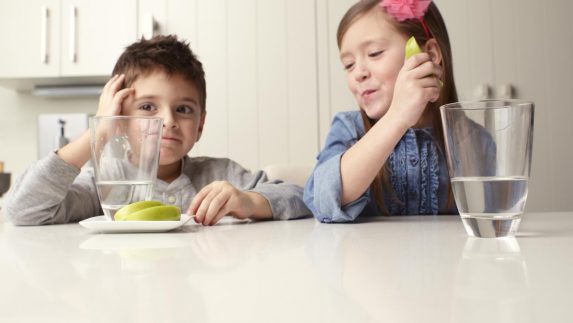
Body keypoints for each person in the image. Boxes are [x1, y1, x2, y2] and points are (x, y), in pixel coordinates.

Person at [3, 35, 310, 226]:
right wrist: (99, 130)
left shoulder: (219, 175)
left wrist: (246, 201)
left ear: (200, 124)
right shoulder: (106, 184)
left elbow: (299, 197)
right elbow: (23, 210)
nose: (168, 121)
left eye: (184, 109)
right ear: (120, 116)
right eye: (148, 107)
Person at [304, 0, 458, 223]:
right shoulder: (348, 128)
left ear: (431, 55)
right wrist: (397, 117)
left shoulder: (471, 139)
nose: (359, 73)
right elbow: (322, 200)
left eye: (374, 53)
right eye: (349, 65)